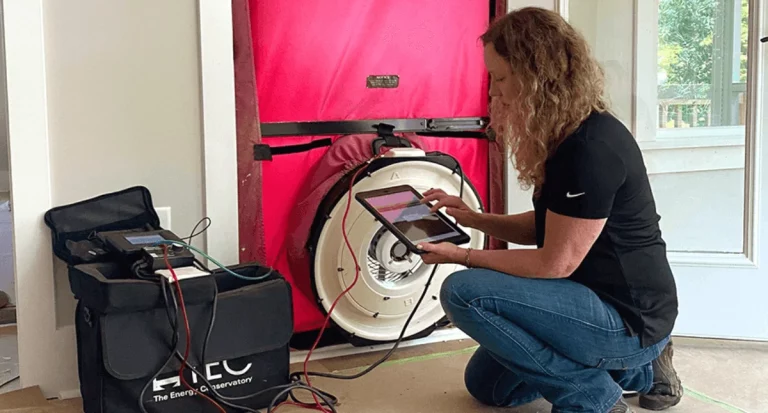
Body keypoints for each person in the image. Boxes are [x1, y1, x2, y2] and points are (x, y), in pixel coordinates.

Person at [416, 7, 682, 413]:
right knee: (488, 387)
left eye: (501, 78)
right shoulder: (564, 135)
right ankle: (638, 373)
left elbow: (553, 262)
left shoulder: (590, 148)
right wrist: (473, 219)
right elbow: (549, 228)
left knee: (463, 293)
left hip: (626, 317)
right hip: (584, 295)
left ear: (537, 76)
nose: (494, 92)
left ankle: (595, 395)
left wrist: (463, 256)